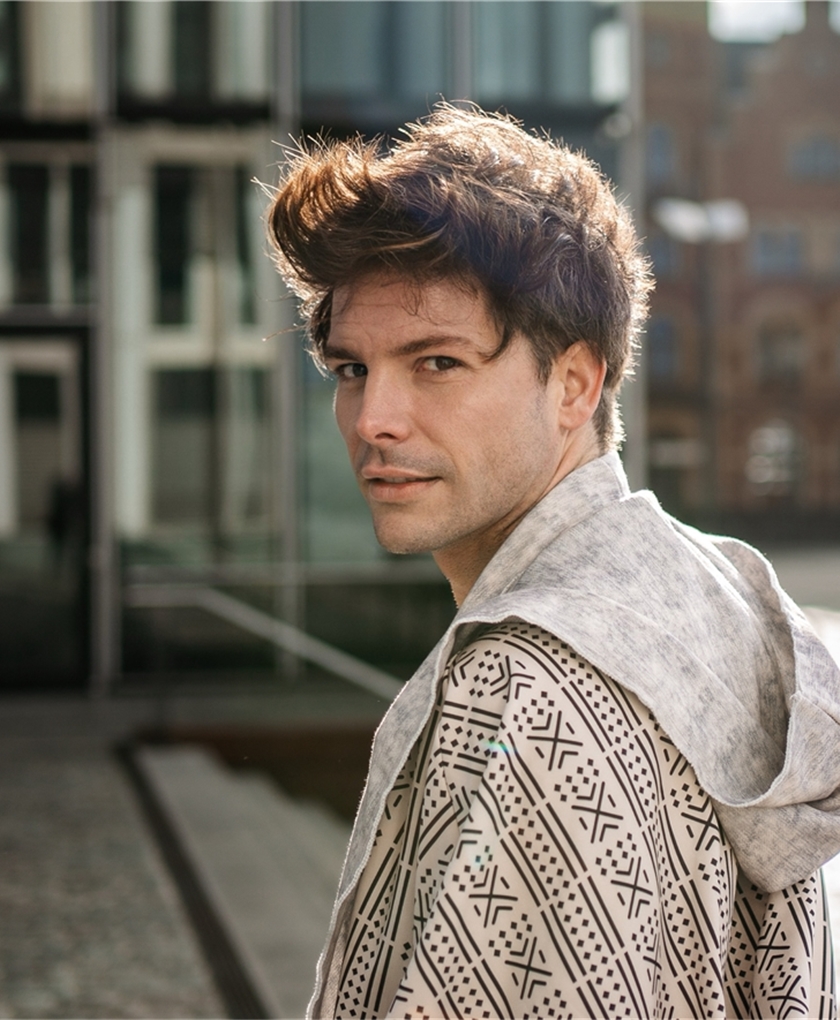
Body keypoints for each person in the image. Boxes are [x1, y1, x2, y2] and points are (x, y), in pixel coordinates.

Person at [268, 105, 840, 1019]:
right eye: (351, 370)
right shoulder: (705, 596)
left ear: (574, 384)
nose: (374, 419)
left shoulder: (523, 686)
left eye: (437, 363)